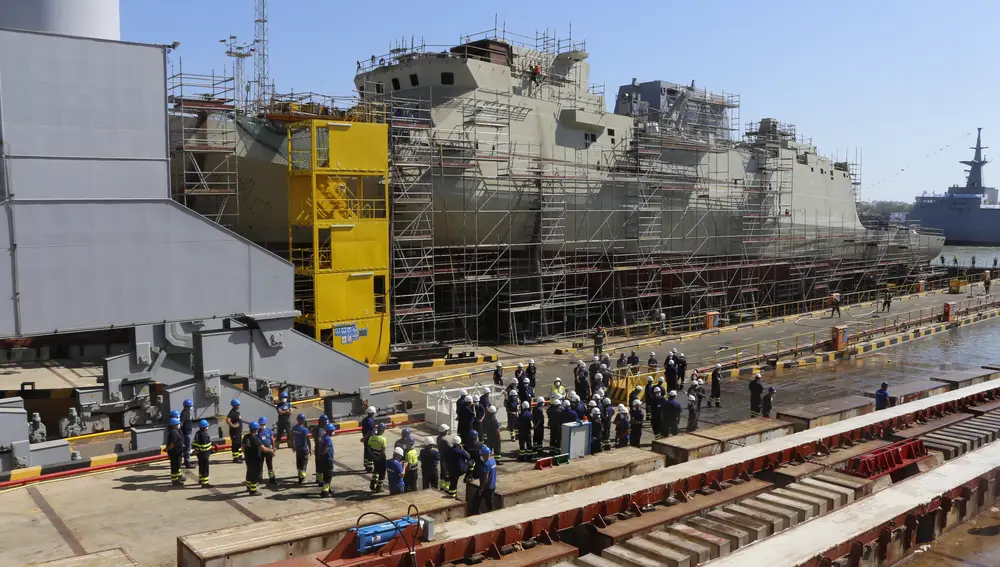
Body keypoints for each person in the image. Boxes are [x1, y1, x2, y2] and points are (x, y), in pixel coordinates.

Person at [242, 421, 272, 496]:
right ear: (256, 429)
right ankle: (253, 490)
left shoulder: (246, 437)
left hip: (248, 458)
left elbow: (243, 447)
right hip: (255, 459)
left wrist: (246, 455)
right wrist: (271, 450)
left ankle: (248, 487)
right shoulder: (255, 439)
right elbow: (263, 449)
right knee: (255, 475)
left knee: (249, 472)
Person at [471, 446, 497, 514]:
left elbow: (485, 477)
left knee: (476, 501)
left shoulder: (485, 464)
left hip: (486, 487)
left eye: (482, 455)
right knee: (488, 502)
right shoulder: (493, 461)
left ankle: (480, 515)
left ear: (484, 455)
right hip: (492, 485)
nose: (481, 456)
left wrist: (481, 488)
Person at [368, 423, 388, 493]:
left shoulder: (371, 437)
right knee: (382, 473)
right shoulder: (383, 439)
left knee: (376, 470)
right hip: (381, 458)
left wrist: (373, 456)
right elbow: (383, 450)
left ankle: (373, 483)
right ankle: (379, 487)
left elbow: (369, 448)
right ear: (382, 430)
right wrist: (379, 457)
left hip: (374, 457)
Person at [291, 414, 311, 484]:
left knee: (299, 463)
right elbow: (308, 440)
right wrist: (310, 449)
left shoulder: (294, 428)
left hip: (297, 449)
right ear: (303, 420)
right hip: (304, 449)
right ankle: (302, 478)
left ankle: (299, 478)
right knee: (304, 464)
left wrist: (293, 446)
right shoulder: (305, 429)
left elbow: (292, 438)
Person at [192, 419, 213, 487]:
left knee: (201, 467)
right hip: (205, 454)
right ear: (205, 427)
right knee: (205, 468)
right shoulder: (205, 436)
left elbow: (194, 443)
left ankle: (201, 480)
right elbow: (205, 446)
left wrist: (197, 450)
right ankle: (205, 483)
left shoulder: (197, 433)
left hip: (199, 454)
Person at [317, 422, 336, 497]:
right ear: (329, 431)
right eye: (332, 430)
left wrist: (321, 455)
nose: (332, 432)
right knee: (328, 476)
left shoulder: (323, 437)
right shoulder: (327, 438)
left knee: (326, 474)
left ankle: (328, 489)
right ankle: (325, 492)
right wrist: (323, 454)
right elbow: (326, 448)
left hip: (323, 459)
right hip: (328, 459)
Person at [258, 416, 277, 484]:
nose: (262, 426)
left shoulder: (269, 430)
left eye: (263, 424)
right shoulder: (257, 431)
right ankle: (259, 479)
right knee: (260, 466)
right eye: (261, 424)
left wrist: (273, 448)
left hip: (268, 450)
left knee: (270, 465)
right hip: (260, 451)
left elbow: (272, 439)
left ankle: (272, 478)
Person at [166, 417, 184, 486]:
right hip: (175, 453)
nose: (178, 425)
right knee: (175, 467)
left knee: (177, 466)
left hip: (177, 452)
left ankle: (177, 478)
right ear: (173, 425)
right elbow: (172, 444)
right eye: (177, 424)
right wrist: (167, 449)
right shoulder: (173, 433)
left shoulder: (175, 431)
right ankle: (175, 481)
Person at [312, 414, 329, 486]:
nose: (326, 424)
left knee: (318, 465)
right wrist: (320, 453)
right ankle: (320, 481)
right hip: (319, 450)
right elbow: (318, 442)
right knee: (321, 466)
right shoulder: (319, 430)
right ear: (321, 422)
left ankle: (318, 479)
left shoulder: (317, 429)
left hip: (318, 450)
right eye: (325, 422)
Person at [226, 399, 244, 463]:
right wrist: (233, 426)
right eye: (238, 405)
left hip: (238, 432)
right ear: (234, 405)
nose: (239, 406)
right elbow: (228, 420)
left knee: (239, 444)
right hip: (234, 432)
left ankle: (239, 456)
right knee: (235, 445)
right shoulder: (232, 412)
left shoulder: (237, 412)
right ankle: (235, 458)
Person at [360, 406, 376, 473]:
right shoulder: (370, 421)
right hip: (369, 439)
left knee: (366, 452)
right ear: (372, 413)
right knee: (370, 453)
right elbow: (369, 432)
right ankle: (369, 468)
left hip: (366, 439)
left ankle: (366, 466)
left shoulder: (365, 420)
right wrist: (364, 438)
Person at [179, 399, 194, 469]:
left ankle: (186, 460)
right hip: (186, 433)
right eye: (190, 406)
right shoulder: (184, 414)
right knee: (188, 448)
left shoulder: (187, 412)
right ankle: (187, 463)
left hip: (188, 432)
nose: (191, 407)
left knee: (186, 448)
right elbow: (181, 424)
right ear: (187, 406)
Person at [436, 424, 452, 490]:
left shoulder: (438, 438)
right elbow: (451, 447)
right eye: (447, 430)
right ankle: (447, 488)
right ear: (444, 431)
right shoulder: (445, 441)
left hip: (442, 458)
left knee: (442, 473)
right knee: (447, 474)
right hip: (446, 459)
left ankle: (442, 487)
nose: (447, 432)